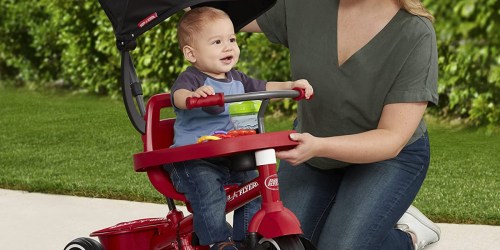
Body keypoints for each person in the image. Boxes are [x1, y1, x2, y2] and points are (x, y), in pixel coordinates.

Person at [242, 0, 441, 249]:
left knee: (338, 246)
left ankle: (409, 235)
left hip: (386, 159)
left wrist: (317, 146)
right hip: (312, 152)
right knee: (280, 243)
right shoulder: (303, 5)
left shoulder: (415, 32)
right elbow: (221, 12)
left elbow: (392, 138)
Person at [163, 7, 313, 250]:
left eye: (232, 39)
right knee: (208, 195)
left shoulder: (238, 80)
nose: (228, 47)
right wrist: (193, 96)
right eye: (217, 42)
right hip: (194, 161)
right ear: (191, 53)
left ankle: (245, 240)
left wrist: (292, 85)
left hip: (230, 158)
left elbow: (265, 87)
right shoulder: (193, 79)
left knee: (255, 185)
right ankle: (218, 242)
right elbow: (178, 96)